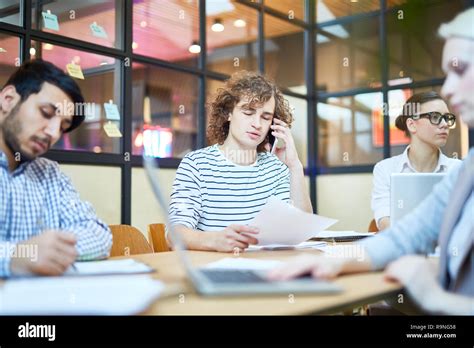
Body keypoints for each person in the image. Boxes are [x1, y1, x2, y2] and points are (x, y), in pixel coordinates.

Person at [269, 8, 474, 315]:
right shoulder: (469, 169)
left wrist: (435, 298)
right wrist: (330, 260)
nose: (447, 88)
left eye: (460, 70)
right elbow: (408, 234)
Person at [168, 71, 312, 252]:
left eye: (265, 117)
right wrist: (215, 240)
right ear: (228, 113)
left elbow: (301, 228)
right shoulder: (196, 165)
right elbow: (174, 234)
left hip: (268, 270)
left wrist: (295, 166)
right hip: (213, 272)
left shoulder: (277, 169)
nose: (257, 124)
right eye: (248, 112)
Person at [0, 60, 112, 277]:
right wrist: (16, 256)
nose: (53, 133)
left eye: (62, 126)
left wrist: (52, 252)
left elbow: (98, 234)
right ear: (8, 99)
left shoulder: (49, 174)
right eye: (46, 113)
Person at [372, 91, 461, 230]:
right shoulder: (385, 169)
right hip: (402, 249)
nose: (444, 124)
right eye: (435, 117)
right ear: (412, 124)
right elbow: (384, 221)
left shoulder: (459, 169)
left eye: (447, 117)